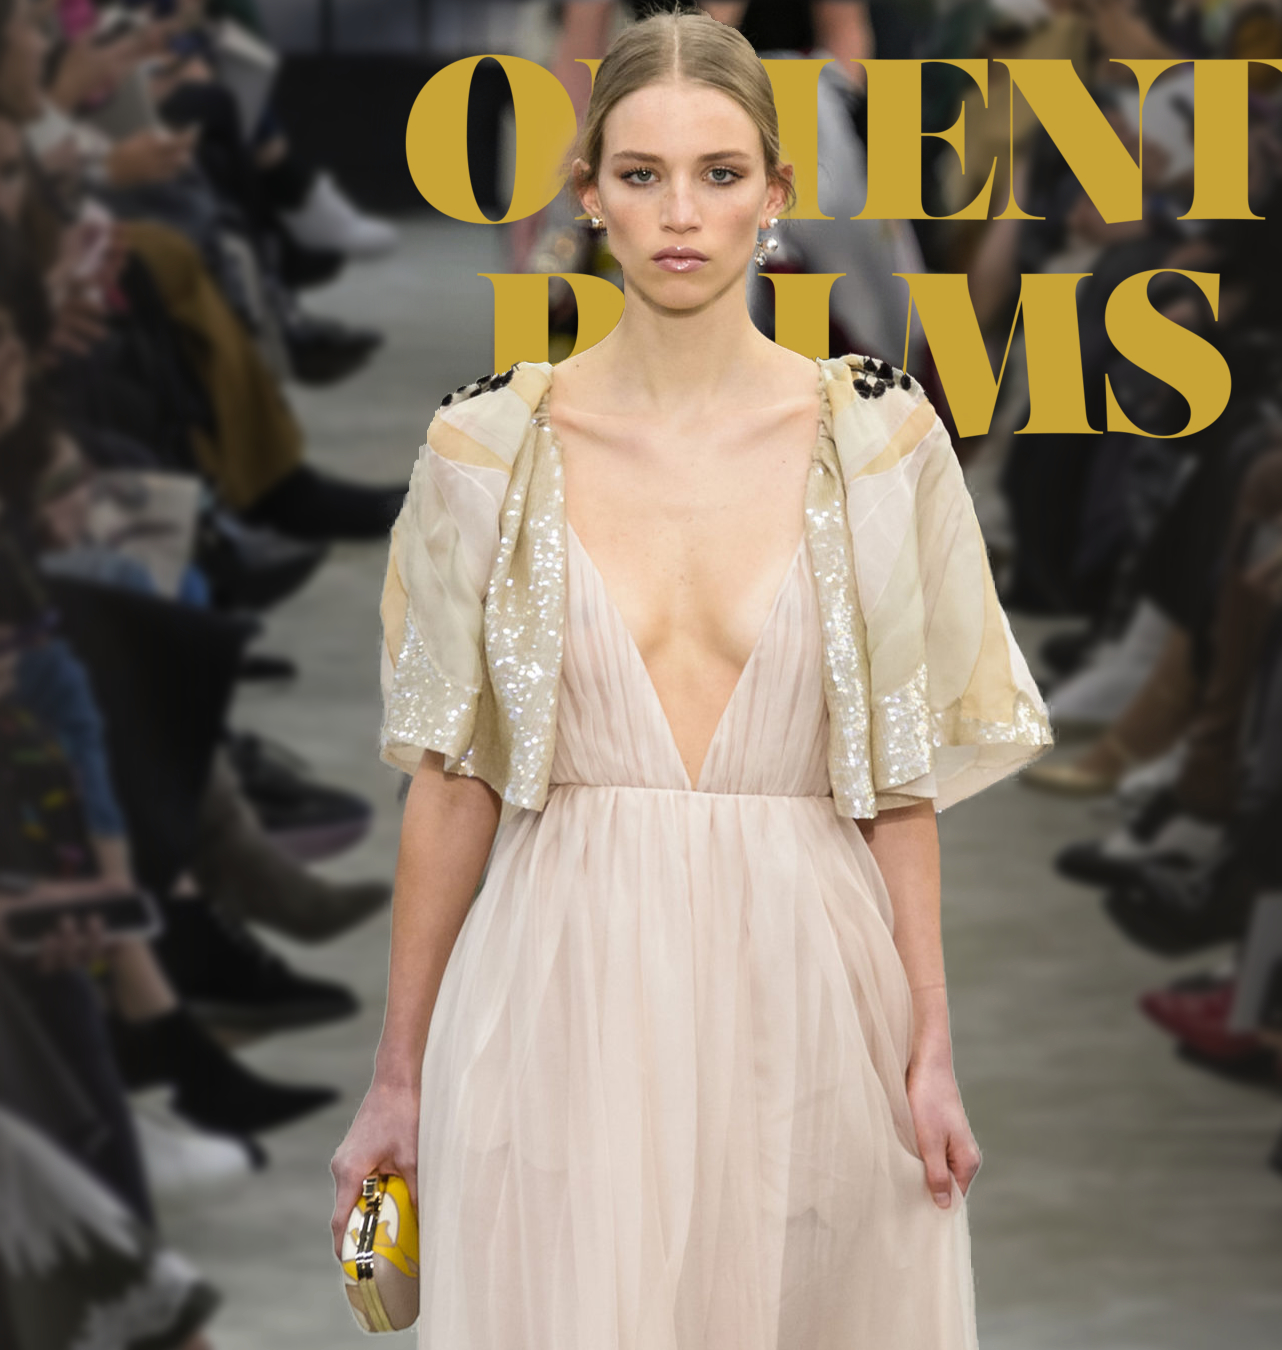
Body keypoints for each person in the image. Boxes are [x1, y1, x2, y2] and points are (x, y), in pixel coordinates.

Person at [328, 12, 1052, 1347]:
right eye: (642, 173)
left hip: (812, 987)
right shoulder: (484, 448)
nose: (680, 213)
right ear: (588, 193)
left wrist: (932, 1047)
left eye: (719, 173)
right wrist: (397, 1076)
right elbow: (452, 778)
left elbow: (897, 782)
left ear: (776, 195)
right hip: (558, 985)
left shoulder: (880, 441)